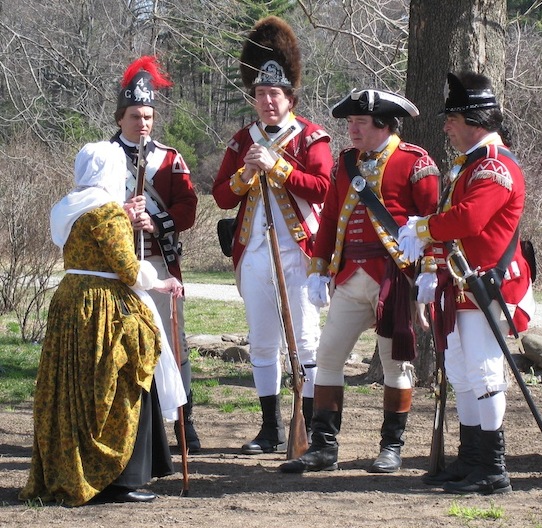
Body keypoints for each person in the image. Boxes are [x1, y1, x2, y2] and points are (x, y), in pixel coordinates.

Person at [279, 88, 439, 474]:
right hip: (350, 274)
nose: (351, 130)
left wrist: (430, 272)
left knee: (394, 363)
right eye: (350, 122)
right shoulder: (345, 163)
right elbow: (331, 217)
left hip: (394, 278)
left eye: (360, 123)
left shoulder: (415, 162)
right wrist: (319, 270)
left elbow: (433, 221)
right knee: (329, 356)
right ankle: (323, 447)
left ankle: (391, 448)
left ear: (382, 124)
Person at [19, 141, 185, 506]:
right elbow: (126, 269)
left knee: (75, 387)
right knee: (119, 378)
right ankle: (116, 478)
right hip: (103, 306)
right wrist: (161, 282)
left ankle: (73, 468)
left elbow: (95, 242)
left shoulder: (71, 207)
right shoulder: (107, 212)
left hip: (70, 301)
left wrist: (122, 218)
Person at [397, 71, 535, 495]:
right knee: (461, 370)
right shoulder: (472, 164)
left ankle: (492, 466)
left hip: (485, 285)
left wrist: (423, 228)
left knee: (484, 370)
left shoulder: (494, 166)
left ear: (474, 119)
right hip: (460, 284)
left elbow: (469, 220)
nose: (445, 126)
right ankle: (471, 457)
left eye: (451, 118)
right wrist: (429, 273)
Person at [212, 16, 333, 454]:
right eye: (261, 94)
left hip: (298, 252)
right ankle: (270, 426)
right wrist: (248, 171)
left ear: (290, 97)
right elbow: (223, 196)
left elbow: (323, 187)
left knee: (304, 340)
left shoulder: (312, 137)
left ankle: (312, 423)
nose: (267, 101)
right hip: (255, 252)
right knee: (262, 341)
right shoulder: (241, 139)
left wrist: (278, 167)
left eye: (274, 94)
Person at [111, 56, 201, 453]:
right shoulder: (104, 157)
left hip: (160, 261)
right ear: (120, 118)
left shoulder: (169, 157)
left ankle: (184, 423)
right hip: (116, 265)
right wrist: (120, 215)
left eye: (148, 116)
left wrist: (156, 220)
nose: (143, 123)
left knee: (173, 342)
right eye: (135, 116)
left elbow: (189, 207)